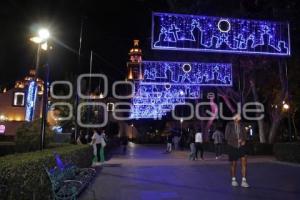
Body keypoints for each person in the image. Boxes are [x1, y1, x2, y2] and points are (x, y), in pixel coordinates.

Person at [225, 113, 250, 188]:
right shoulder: (229, 125)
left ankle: (244, 181)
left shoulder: (242, 125)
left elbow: (245, 136)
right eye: (238, 115)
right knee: (233, 164)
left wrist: (244, 141)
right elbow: (226, 137)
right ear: (234, 117)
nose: (239, 116)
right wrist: (237, 140)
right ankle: (233, 180)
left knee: (244, 163)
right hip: (232, 146)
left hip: (242, 146)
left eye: (239, 115)